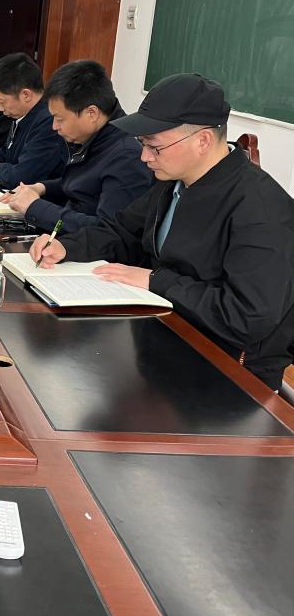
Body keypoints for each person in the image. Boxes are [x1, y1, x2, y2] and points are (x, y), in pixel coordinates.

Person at [29, 74, 294, 390]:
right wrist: (67, 246)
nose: (144, 157)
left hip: (229, 374)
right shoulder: (174, 182)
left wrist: (157, 280)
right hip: (166, 337)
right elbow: (123, 232)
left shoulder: (261, 210)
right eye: (143, 145)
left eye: (154, 147)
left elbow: (246, 317)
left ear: (202, 141)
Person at [0, 60, 153, 233]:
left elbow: (105, 232)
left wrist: (35, 207)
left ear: (91, 113)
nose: (54, 127)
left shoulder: (126, 157)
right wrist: (40, 187)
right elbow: (82, 183)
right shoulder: (96, 136)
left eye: (60, 119)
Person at [0, 53, 68, 189]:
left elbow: (25, 176)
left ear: (25, 95)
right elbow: (8, 153)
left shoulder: (49, 122)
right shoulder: (22, 115)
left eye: (2, 101)